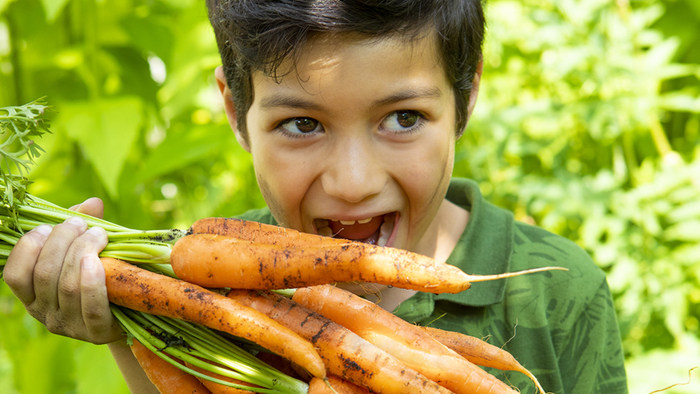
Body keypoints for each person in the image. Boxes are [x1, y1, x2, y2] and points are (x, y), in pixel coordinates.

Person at [4, 1, 628, 393]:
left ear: (465, 97)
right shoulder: (206, 297)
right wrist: (123, 329)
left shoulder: (561, 294)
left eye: (403, 117)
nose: (353, 181)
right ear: (235, 109)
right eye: (303, 125)